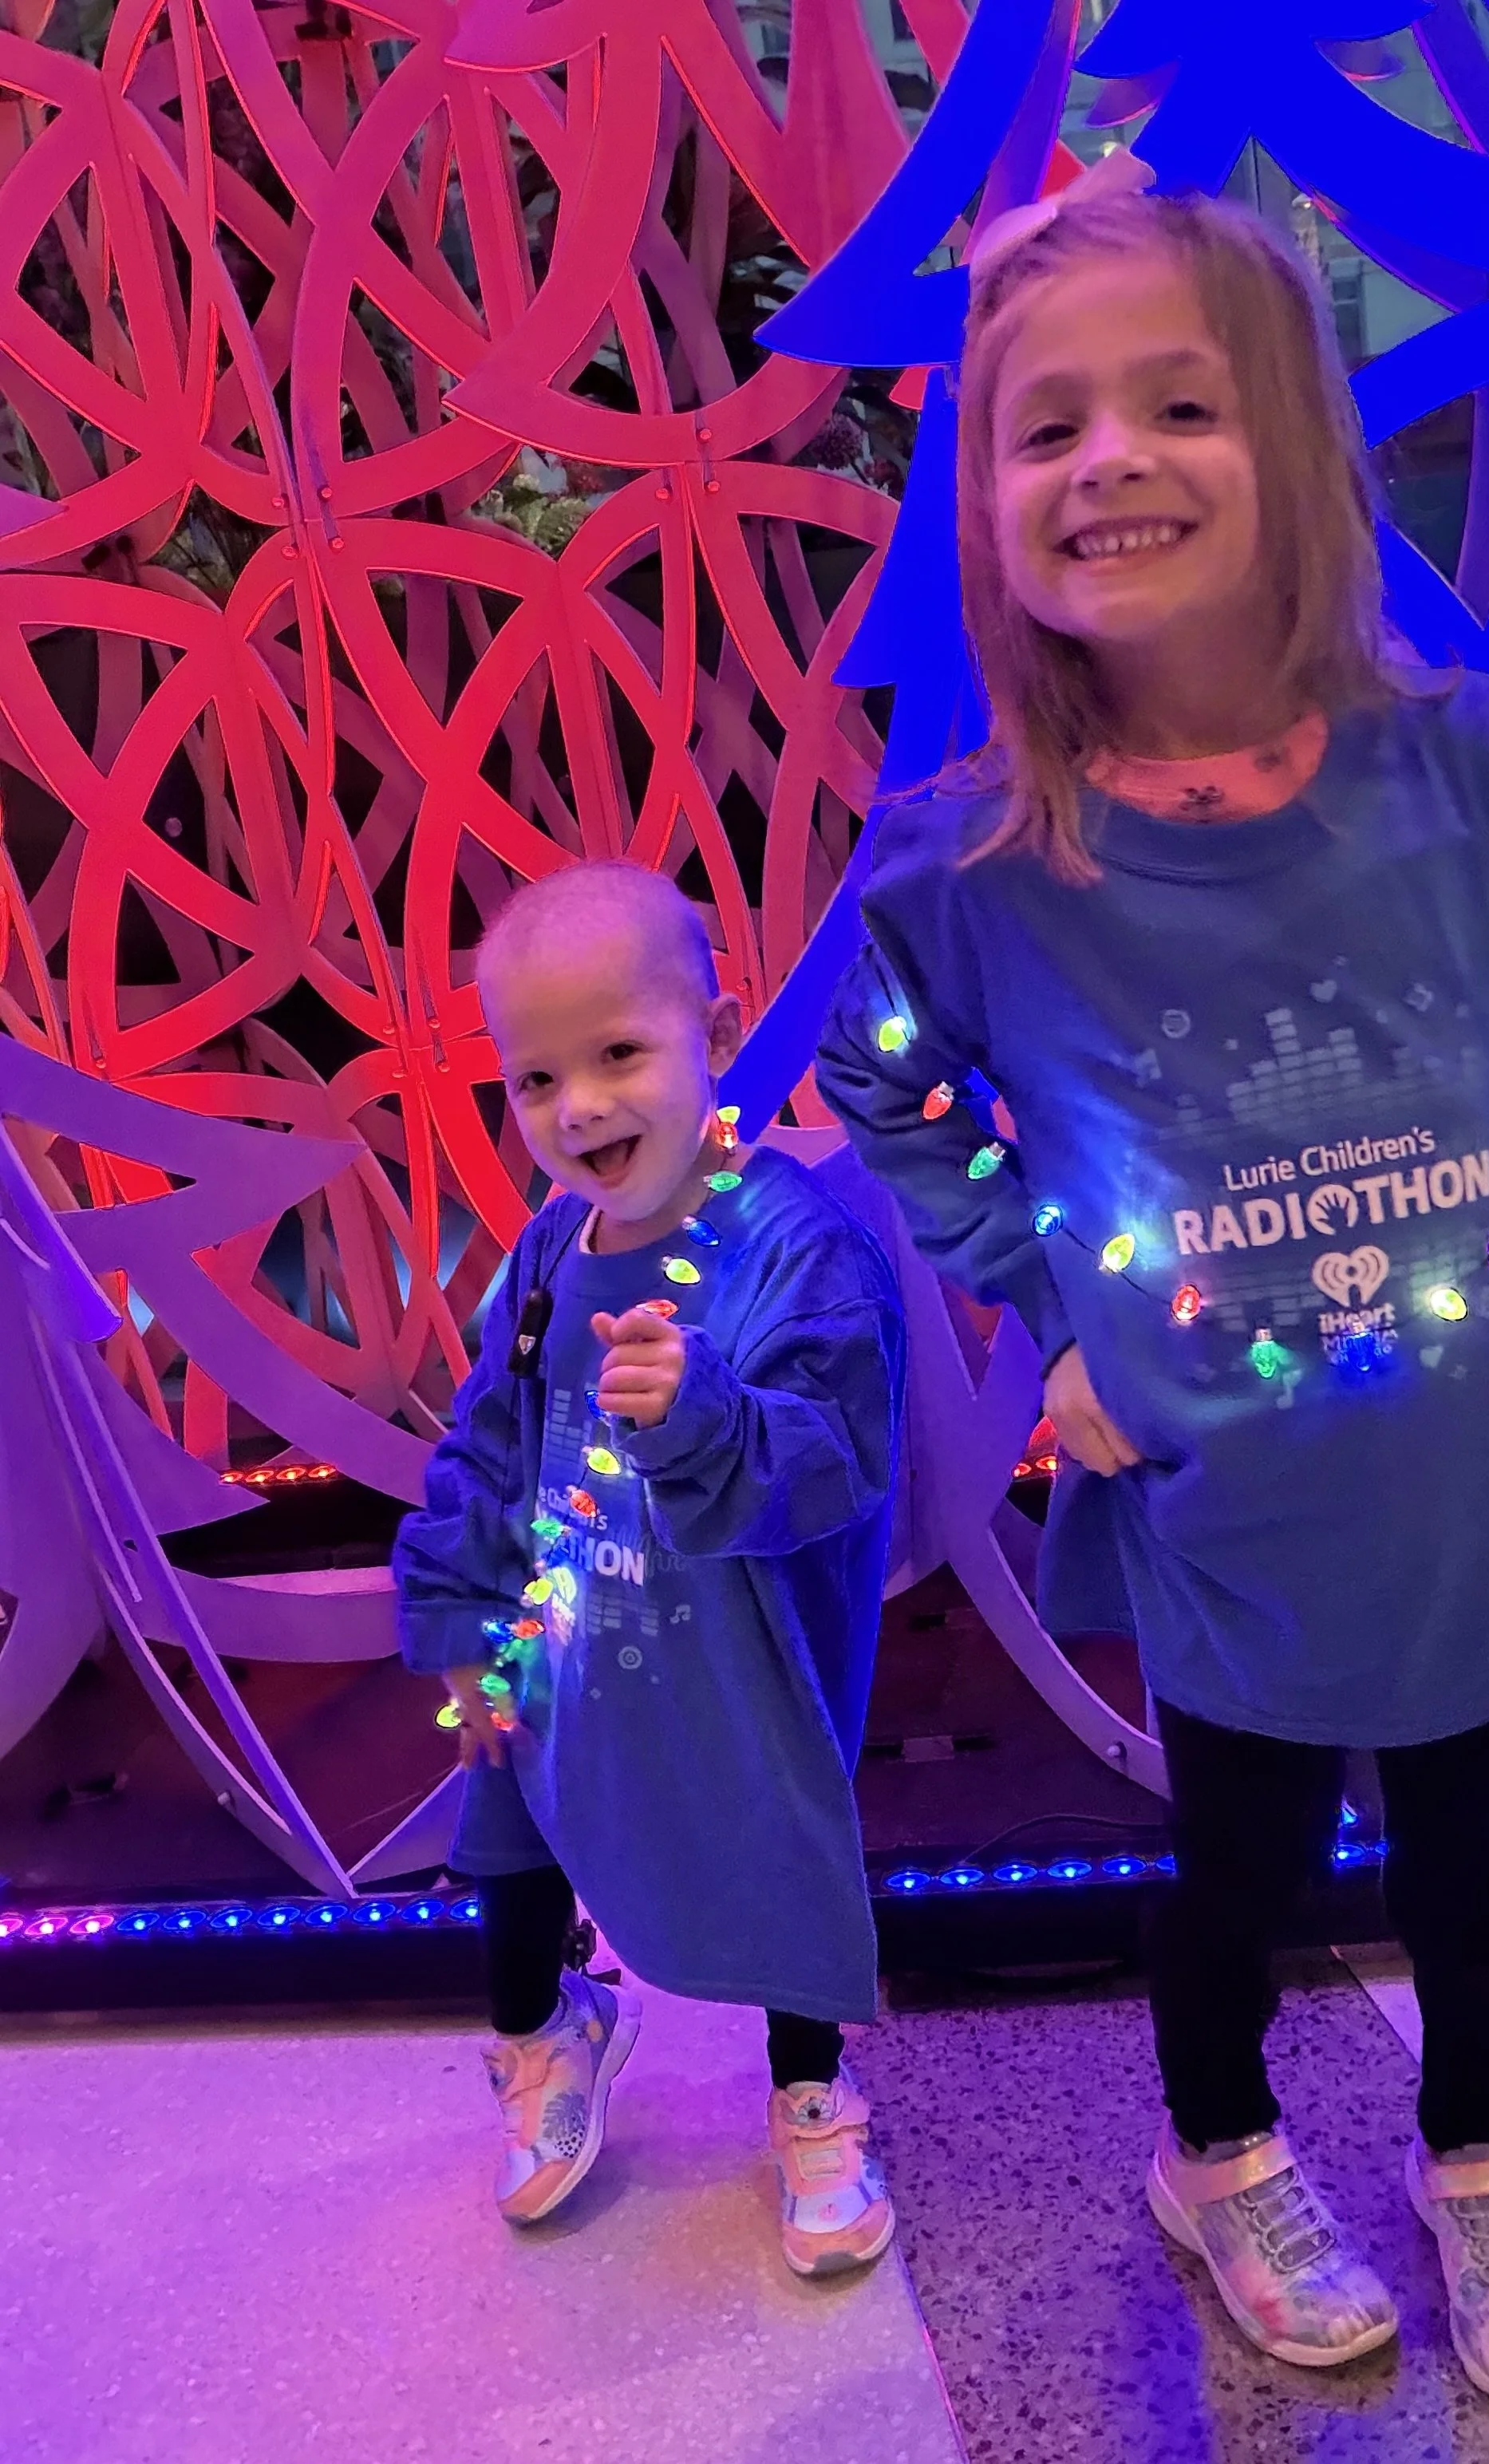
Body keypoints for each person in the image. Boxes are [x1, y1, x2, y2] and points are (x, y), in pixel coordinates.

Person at [815, 157, 1489, 2402]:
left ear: (1292, 441)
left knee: (1485, 1883)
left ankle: (1475, 2155)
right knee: (1240, 1877)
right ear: (983, 497)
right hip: (1233, 1515)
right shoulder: (973, 869)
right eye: (1047, 422)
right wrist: (1044, 1301)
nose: (1111, 458)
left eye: (1178, 403)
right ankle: (1216, 2151)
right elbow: (878, 1076)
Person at [394, 861, 904, 2277]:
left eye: (619, 1054)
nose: (579, 1109)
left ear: (717, 1035)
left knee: (777, 1855)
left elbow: (839, 1455)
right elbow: (488, 1440)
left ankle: (811, 2094)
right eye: (536, 1078)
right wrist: (461, 1617)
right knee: (509, 1832)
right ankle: (544, 2032)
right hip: (559, 1644)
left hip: (729, 1663)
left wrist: (701, 1416)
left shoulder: (792, 1247)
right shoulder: (549, 1251)